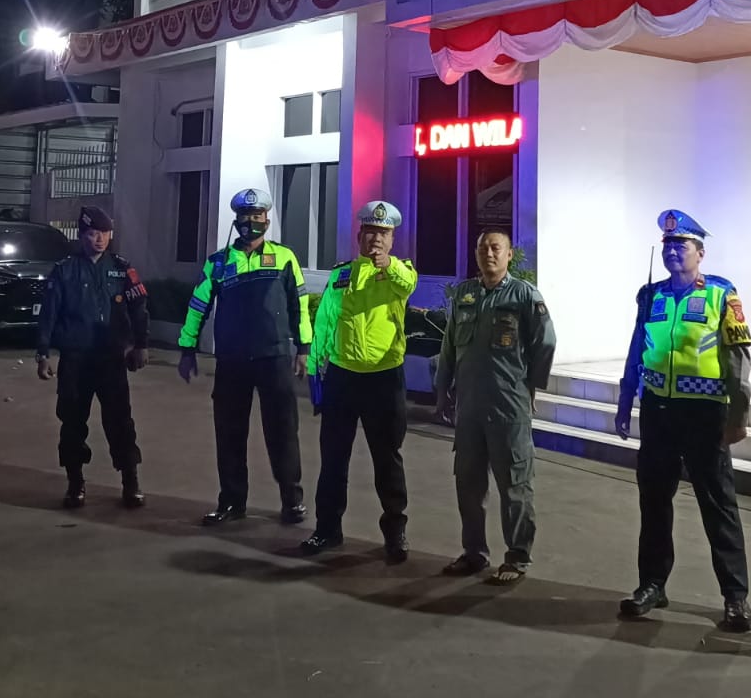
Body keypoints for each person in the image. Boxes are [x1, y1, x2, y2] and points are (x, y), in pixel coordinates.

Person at [615, 210, 751, 631]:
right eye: (668, 245)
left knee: (718, 505)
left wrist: (739, 414)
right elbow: (637, 347)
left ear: (700, 253)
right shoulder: (650, 295)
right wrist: (625, 398)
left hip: (705, 415)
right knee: (654, 502)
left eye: (682, 245)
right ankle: (651, 585)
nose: (673, 251)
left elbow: (738, 358)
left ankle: (735, 597)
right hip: (658, 411)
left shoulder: (721, 294)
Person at [177, 187, 311, 527]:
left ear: (267, 219)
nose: (251, 222)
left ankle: (292, 500)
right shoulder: (218, 262)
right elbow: (198, 306)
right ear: (236, 221)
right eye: (245, 217)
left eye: (257, 216)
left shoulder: (284, 257)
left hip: (274, 357)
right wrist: (187, 348)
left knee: (282, 431)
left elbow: (300, 305)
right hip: (232, 360)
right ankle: (232, 502)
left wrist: (304, 349)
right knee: (229, 433)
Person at [434, 229, 556, 585]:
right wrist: (442, 389)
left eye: (496, 248)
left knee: (515, 485)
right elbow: (449, 345)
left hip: (508, 407)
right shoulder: (465, 294)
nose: (489, 253)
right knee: (468, 485)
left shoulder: (524, 295)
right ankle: (474, 553)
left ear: (508, 254)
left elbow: (545, 342)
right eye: (483, 248)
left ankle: (517, 557)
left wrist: (531, 385)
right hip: (469, 408)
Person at [300, 200, 418, 562]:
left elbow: (407, 284)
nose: (375, 240)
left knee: (387, 460)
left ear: (392, 239)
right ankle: (327, 530)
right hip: (342, 377)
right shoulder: (341, 275)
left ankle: (395, 533)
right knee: (333, 459)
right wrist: (314, 369)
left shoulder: (400, 274)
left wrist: (388, 265)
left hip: (384, 379)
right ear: (359, 236)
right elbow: (325, 322)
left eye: (383, 234)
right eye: (370, 232)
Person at [35, 205, 149, 510]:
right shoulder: (65, 270)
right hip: (76, 360)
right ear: (82, 235)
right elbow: (49, 314)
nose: (98, 239)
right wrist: (43, 353)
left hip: (111, 360)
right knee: (72, 422)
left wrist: (140, 345)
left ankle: (131, 482)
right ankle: (75, 483)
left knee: (120, 422)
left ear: (111, 235)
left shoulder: (122, 269)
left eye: (104, 233)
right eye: (92, 233)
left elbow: (139, 308)